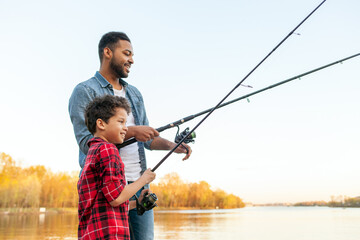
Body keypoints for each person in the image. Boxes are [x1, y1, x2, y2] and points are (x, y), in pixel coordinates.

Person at [68, 31, 192, 240]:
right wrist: (134, 130)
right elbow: (87, 142)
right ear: (108, 52)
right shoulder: (84, 91)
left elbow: (148, 139)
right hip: (106, 188)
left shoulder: (134, 93)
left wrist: (173, 145)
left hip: (140, 186)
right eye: (126, 53)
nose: (132, 60)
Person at [78, 95, 156, 240]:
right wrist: (144, 179)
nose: (126, 128)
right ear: (101, 124)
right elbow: (116, 198)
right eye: (121, 122)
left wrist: (136, 203)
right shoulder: (108, 150)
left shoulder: (93, 152)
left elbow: (107, 204)